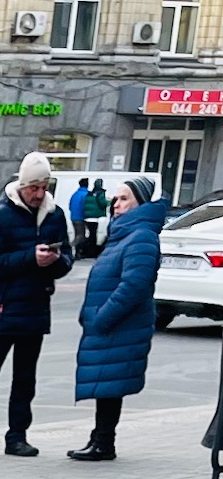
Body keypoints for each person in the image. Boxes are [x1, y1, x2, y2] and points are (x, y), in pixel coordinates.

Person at [0, 152, 73, 460]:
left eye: (44, 187)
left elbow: (67, 259)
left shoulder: (54, 215)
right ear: (22, 185)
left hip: (35, 310)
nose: (39, 194)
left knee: (25, 380)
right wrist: (30, 258)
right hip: (3, 310)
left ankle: (17, 437)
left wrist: (53, 261)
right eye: (34, 187)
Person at [69, 176, 164, 461]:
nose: (117, 205)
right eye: (115, 199)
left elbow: (134, 284)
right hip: (110, 322)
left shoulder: (141, 236)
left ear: (140, 204)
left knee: (111, 384)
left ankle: (103, 442)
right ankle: (100, 439)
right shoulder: (124, 233)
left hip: (120, 323)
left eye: (124, 199)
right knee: (107, 383)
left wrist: (102, 317)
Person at [83, 178, 108, 260]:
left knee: (90, 235)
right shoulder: (100, 193)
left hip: (87, 217)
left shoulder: (89, 193)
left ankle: (86, 251)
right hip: (95, 218)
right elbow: (102, 204)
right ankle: (91, 253)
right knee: (93, 236)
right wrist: (109, 202)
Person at [68, 178, 90, 258]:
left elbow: (70, 206)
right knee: (80, 236)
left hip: (73, 217)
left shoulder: (75, 194)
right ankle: (69, 246)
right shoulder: (86, 194)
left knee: (78, 234)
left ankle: (78, 253)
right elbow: (86, 207)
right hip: (81, 217)